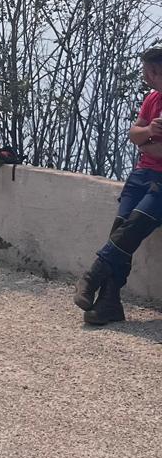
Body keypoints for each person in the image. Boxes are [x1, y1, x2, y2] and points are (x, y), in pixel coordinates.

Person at [74, 46, 162, 326]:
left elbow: (158, 151)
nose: (148, 77)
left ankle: (93, 274)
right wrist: (149, 133)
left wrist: (149, 144)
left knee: (131, 229)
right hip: (140, 176)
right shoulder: (152, 100)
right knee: (121, 230)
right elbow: (134, 135)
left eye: (150, 71)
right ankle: (109, 303)